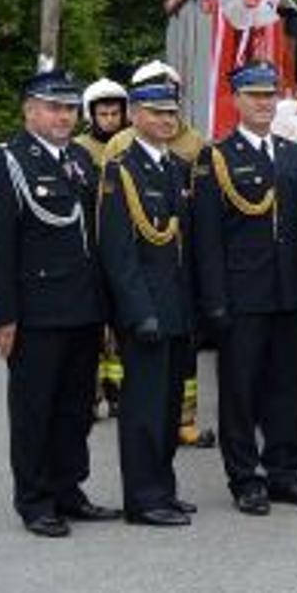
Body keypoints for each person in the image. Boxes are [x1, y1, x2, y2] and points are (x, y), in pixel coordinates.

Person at [0, 70, 121, 538]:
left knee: (77, 409)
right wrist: (2, 315)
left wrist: (107, 310)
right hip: (35, 314)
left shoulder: (79, 159)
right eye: (53, 107)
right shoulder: (7, 162)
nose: (63, 116)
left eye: (69, 108)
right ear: (29, 110)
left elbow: (94, 239)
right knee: (35, 409)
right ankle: (35, 501)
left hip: (83, 310)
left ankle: (68, 490)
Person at [190, 61, 297, 515]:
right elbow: (207, 240)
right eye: (254, 96)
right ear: (236, 101)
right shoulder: (217, 157)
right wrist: (215, 303)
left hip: (288, 294)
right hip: (242, 299)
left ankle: (284, 472)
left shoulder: (290, 154)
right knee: (241, 393)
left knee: (286, 390)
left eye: (270, 95)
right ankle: (245, 479)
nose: (264, 103)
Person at [98, 73, 199, 524]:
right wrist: (139, 313)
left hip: (176, 311)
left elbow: (184, 249)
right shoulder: (121, 172)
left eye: (172, 113)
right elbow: (119, 255)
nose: (166, 120)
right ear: (135, 115)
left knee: (168, 408)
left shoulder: (175, 168)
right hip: (147, 314)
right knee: (142, 412)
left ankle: (163, 488)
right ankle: (142, 501)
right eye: (156, 112)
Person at [75, 77, 129, 421]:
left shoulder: (131, 145)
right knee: (91, 329)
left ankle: (120, 393)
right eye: (103, 113)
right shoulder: (78, 149)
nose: (109, 119)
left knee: (121, 327)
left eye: (115, 112)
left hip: (121, 247)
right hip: (89, 250)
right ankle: (90, 397)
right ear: (91, 115)